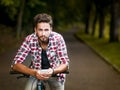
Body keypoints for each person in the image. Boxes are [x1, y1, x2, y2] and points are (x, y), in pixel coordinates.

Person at [11, 13, 70, 90]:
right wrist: (34, 72)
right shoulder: (29, 39)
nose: (43, 34)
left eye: (46, 30)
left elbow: (65, 63)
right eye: (40, 30)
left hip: (55, 73)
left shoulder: (58, 39)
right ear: (35, 29)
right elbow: (15, 64)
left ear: (51, 29)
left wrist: (52, 71)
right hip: (35, 73)